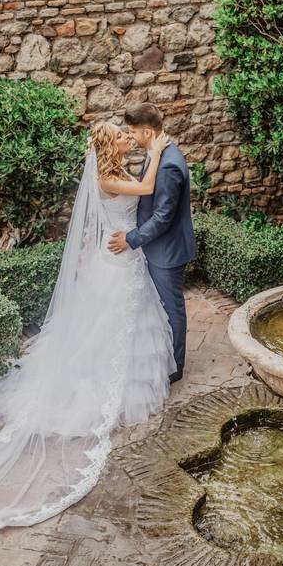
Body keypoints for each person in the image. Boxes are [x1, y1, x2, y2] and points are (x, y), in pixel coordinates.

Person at [0, 122, 178, 551]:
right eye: (122, 136)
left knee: (112, 330)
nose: (130, 138)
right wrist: (159, 150)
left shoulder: (109, 173)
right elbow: (147, 190)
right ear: (111, 147)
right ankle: (99, 388)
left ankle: (110, 376)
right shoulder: (108, 178)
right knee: (107, 332)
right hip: (119, 263)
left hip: (118, 259)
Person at [108, 103, 196, 383]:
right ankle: (166, 358)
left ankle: (175, 368)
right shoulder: (158, 152)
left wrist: (131, 239)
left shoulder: (169, 164)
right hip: (158, 247)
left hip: (167, 250)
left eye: (133, 132)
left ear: (147, 131)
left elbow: (162, 217)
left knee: (172, 310)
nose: (130, 136)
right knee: (163, 307)